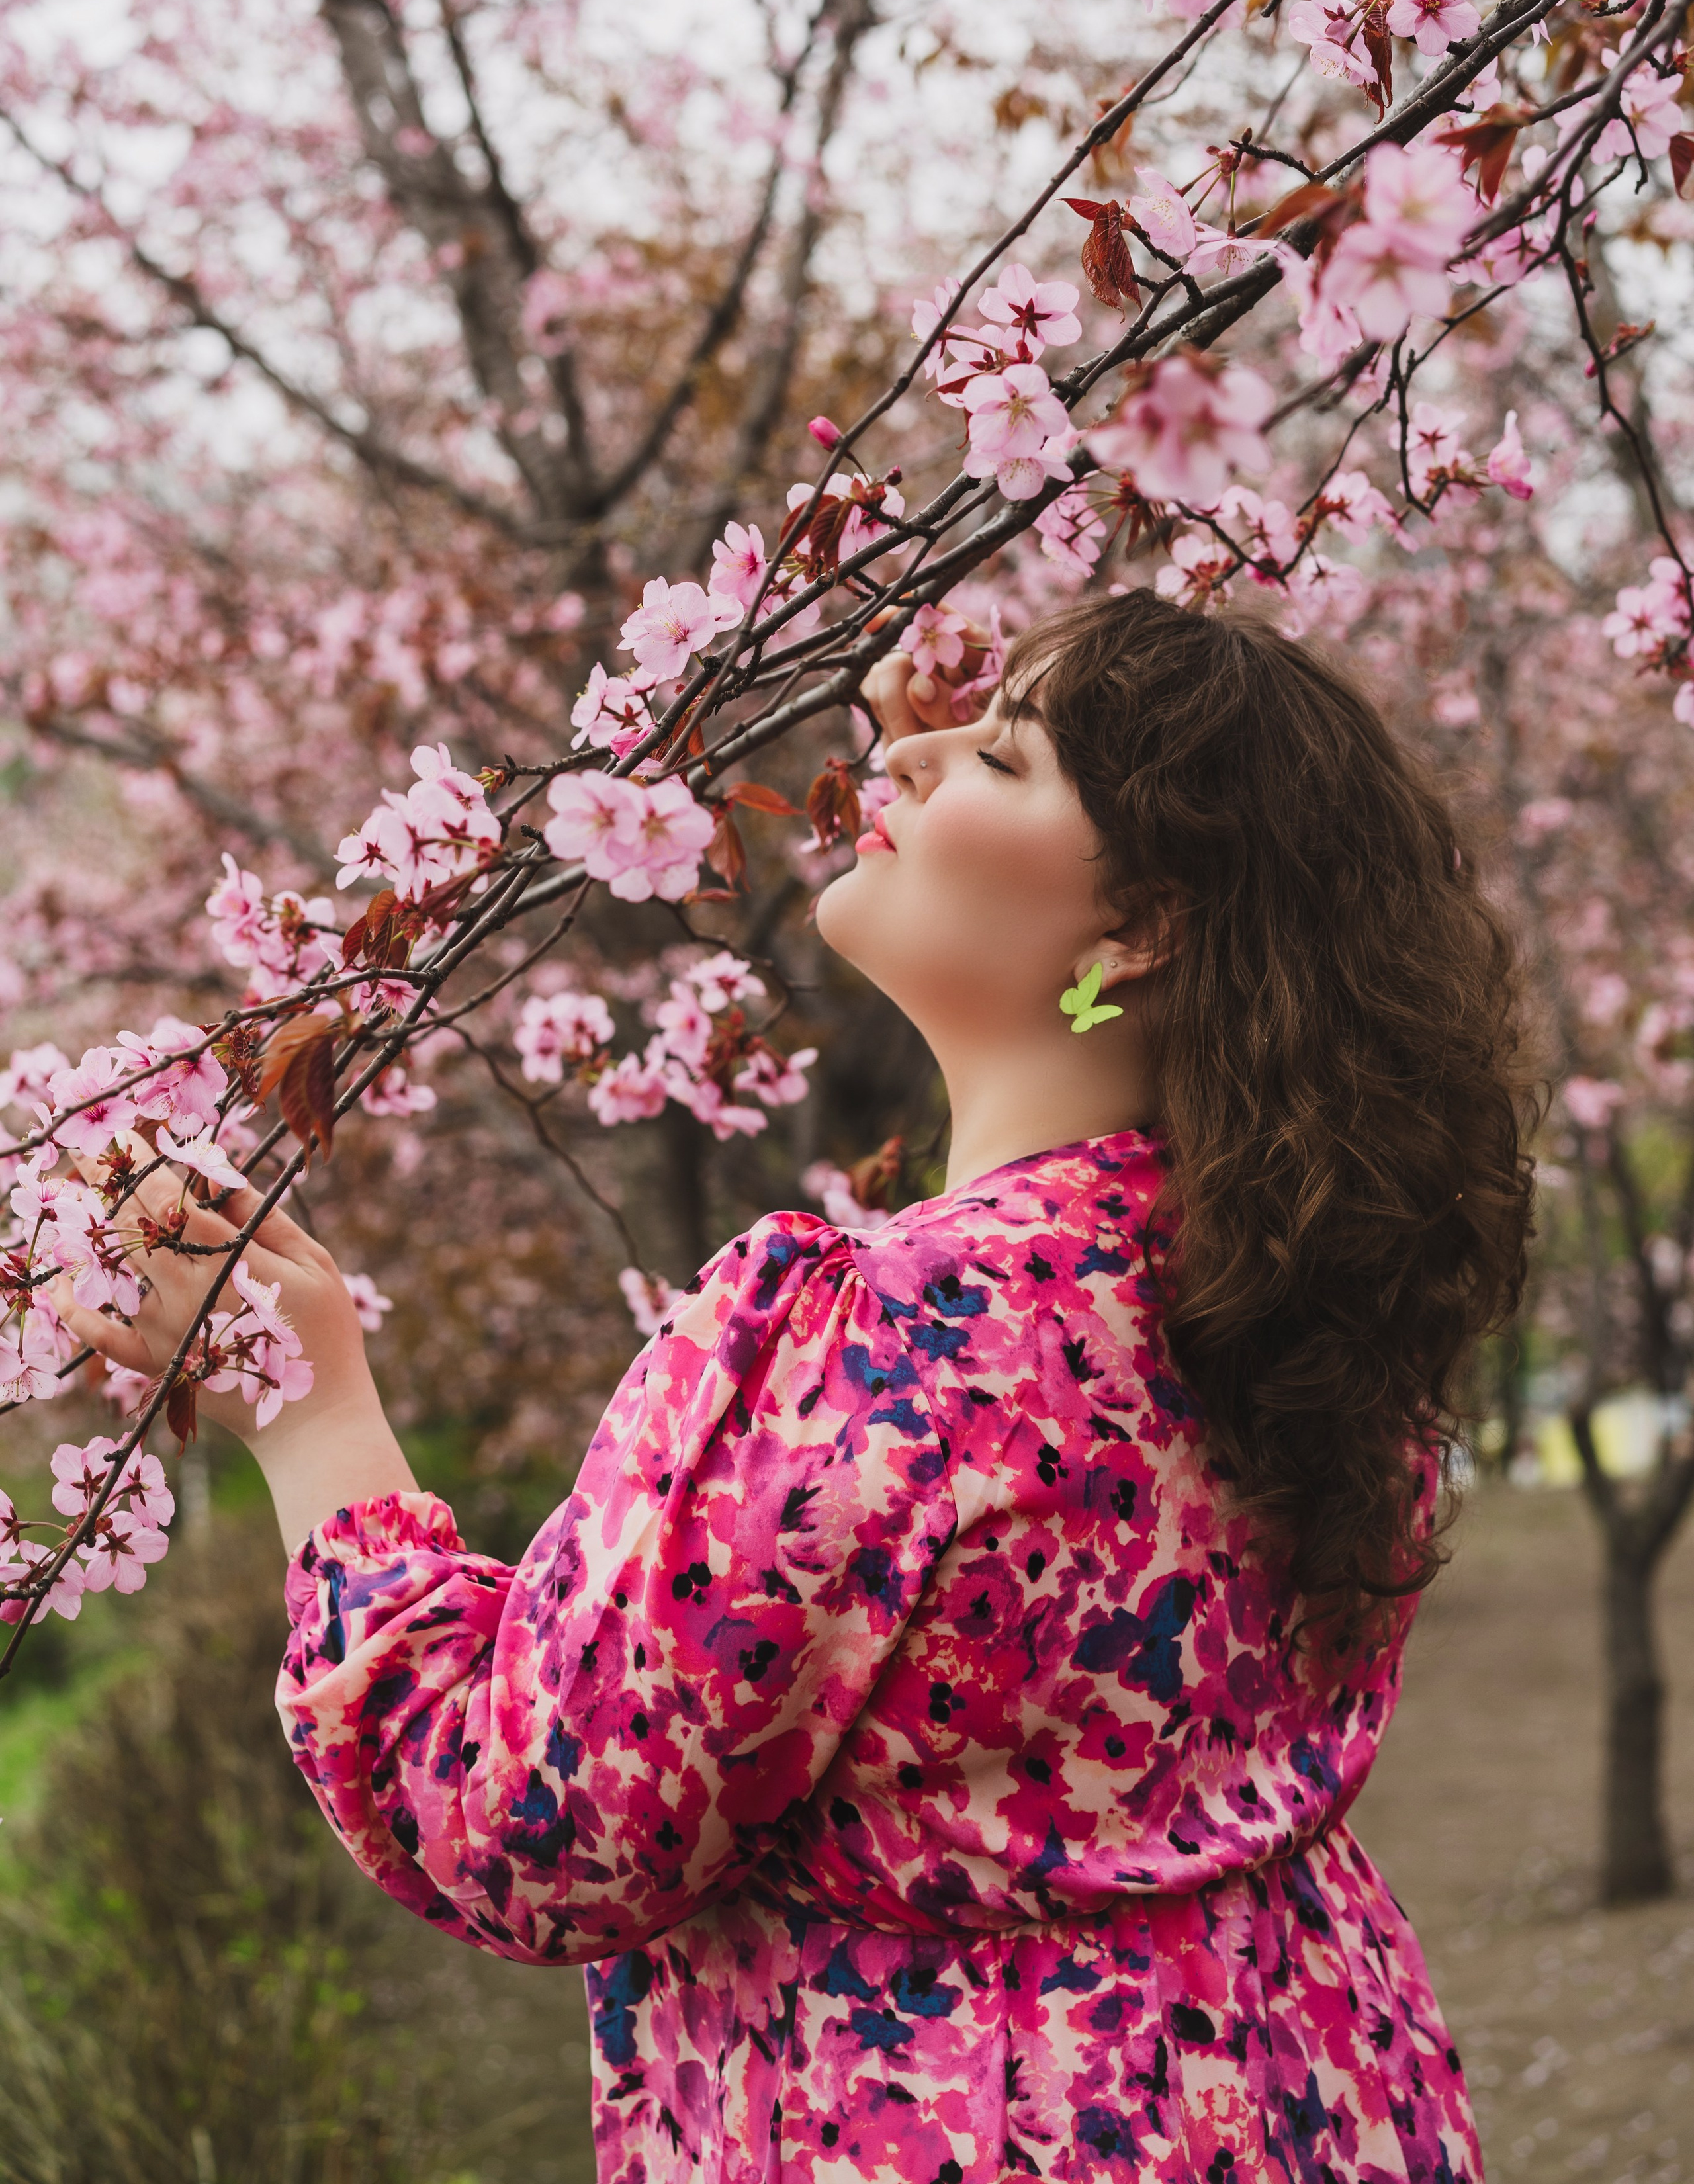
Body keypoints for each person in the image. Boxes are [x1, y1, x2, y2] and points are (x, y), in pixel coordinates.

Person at [62, 590, 1533, 2183]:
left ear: (1139, 926)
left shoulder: (886, 1338)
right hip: (1311, 2089)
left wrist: (312, 1412)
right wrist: (999, 750)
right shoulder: (1298, 1307)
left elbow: (535, 1825)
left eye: (1005, 756)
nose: (902, 753)